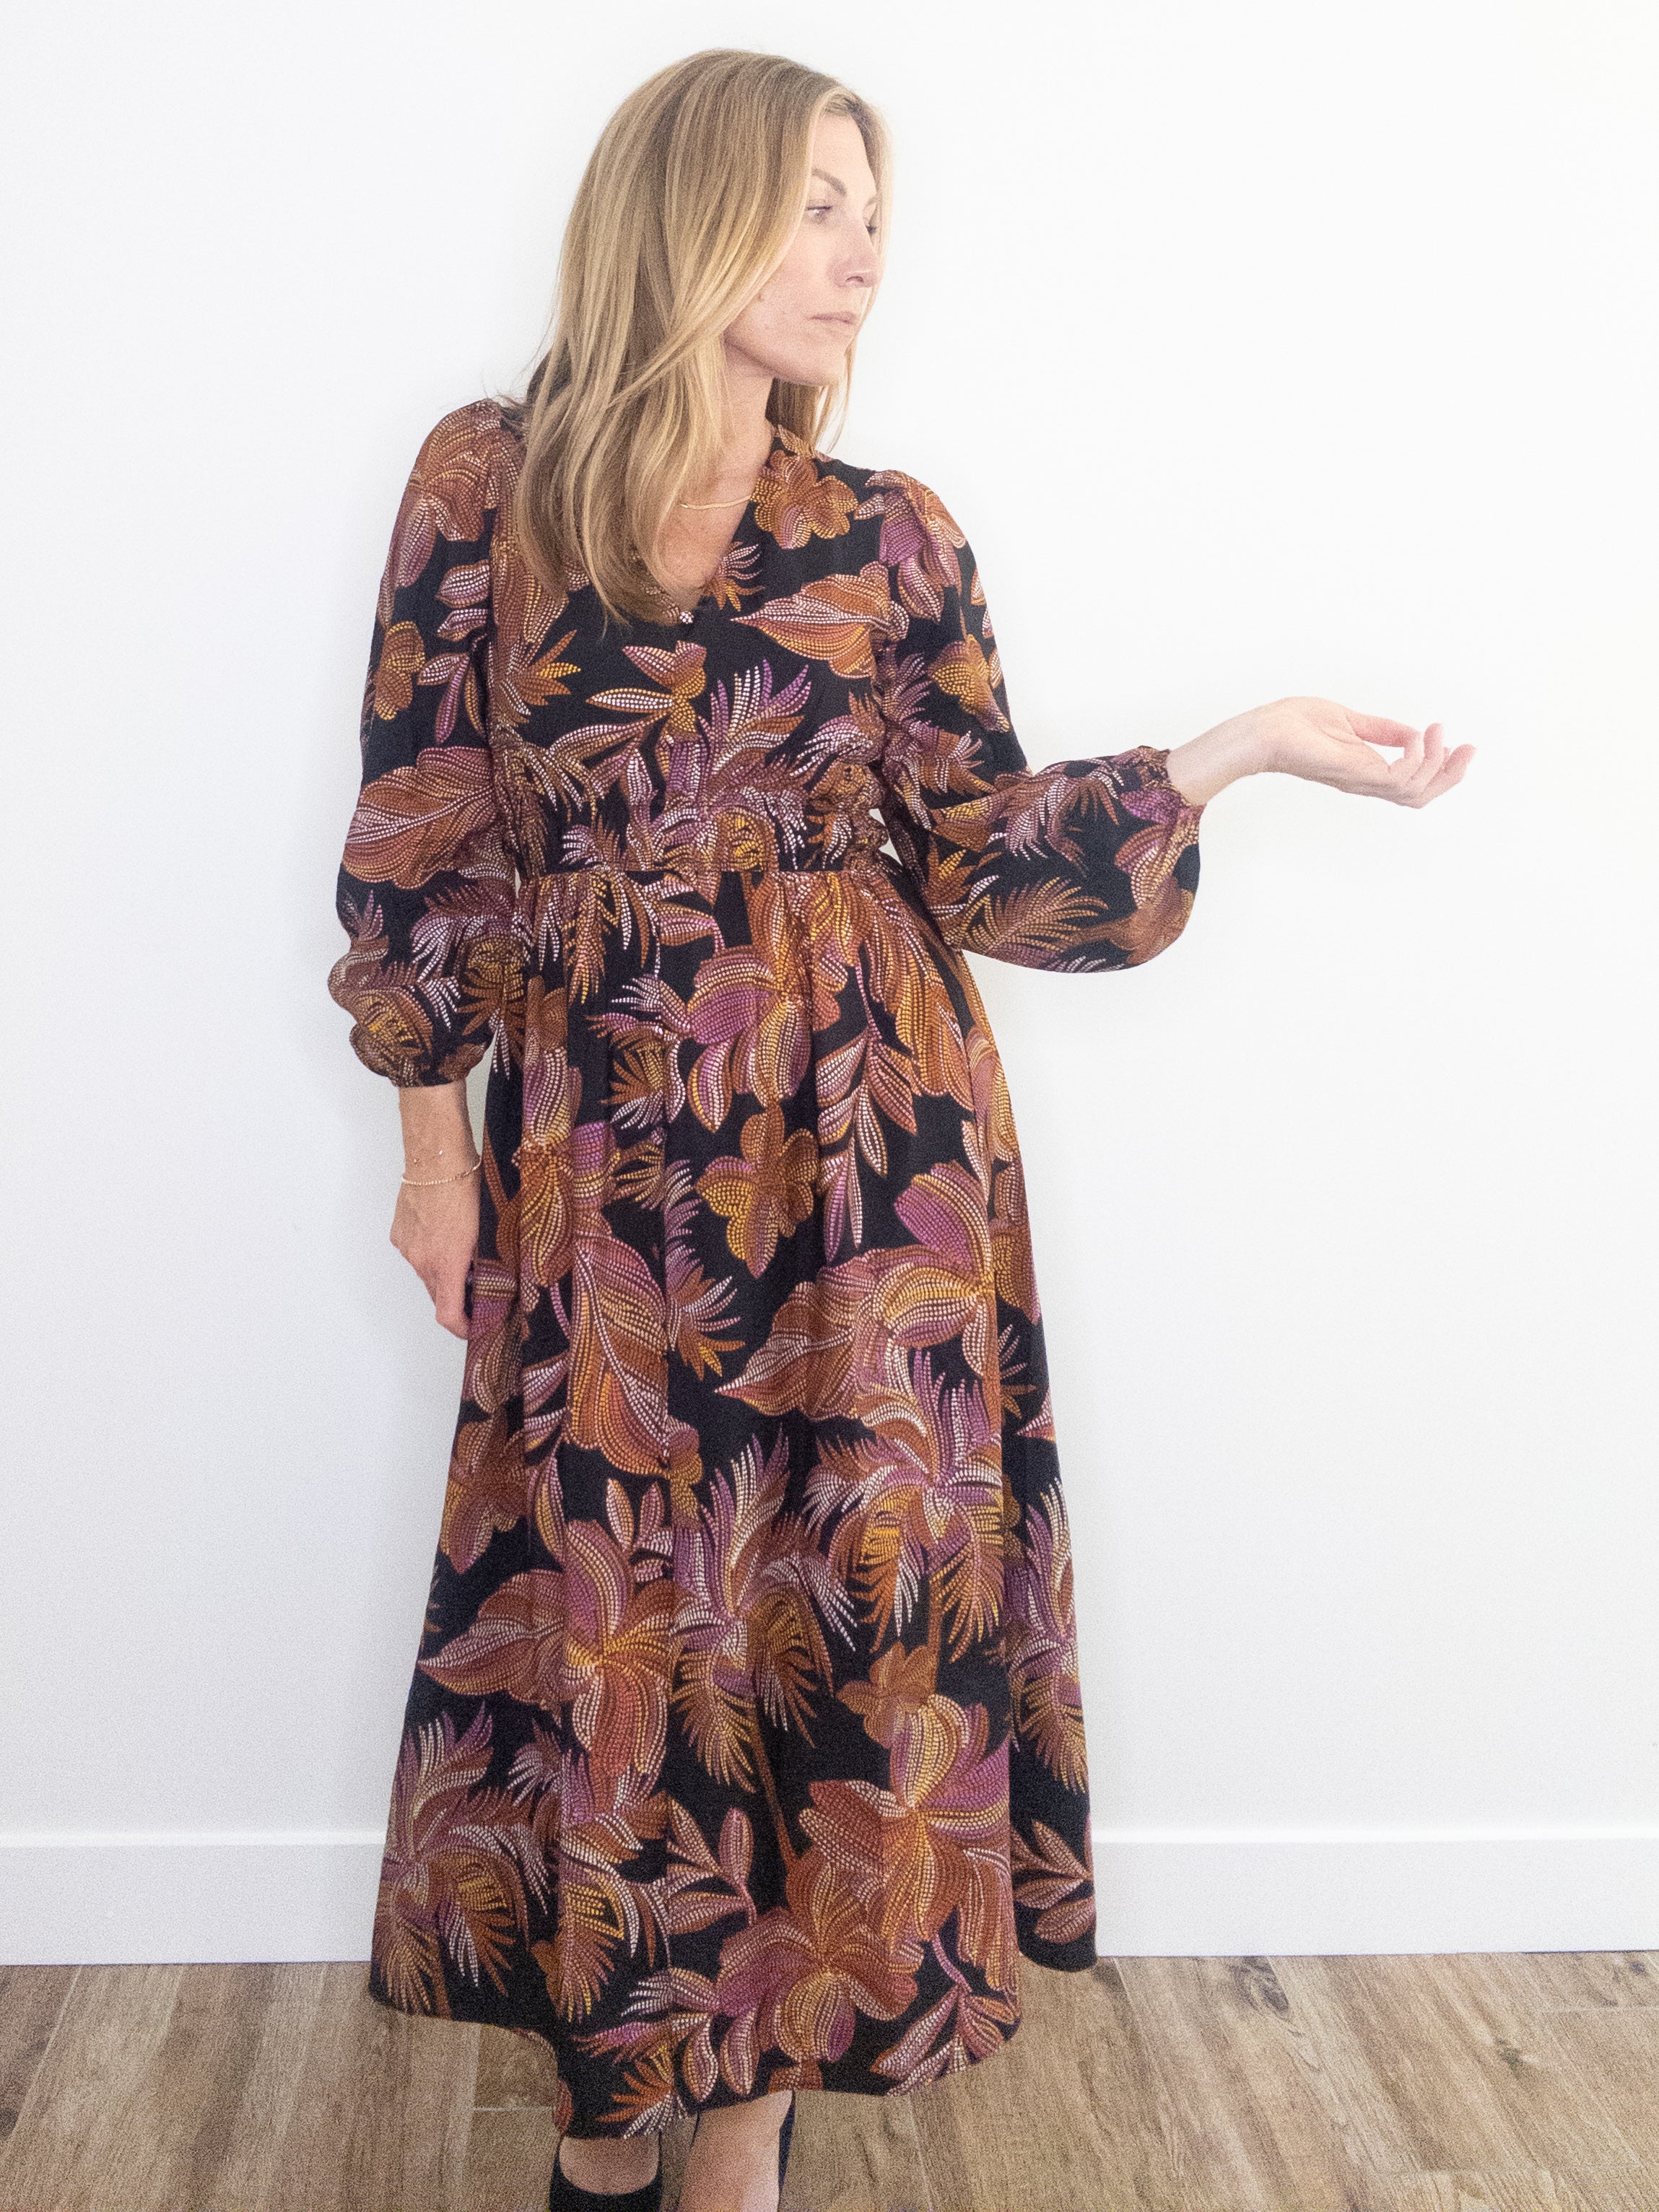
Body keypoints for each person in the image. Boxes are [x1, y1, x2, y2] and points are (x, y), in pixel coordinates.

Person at [327, 46, 1473, 2212]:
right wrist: (431, 1156)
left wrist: (1224, 756)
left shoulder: (889, 531)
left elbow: (974, 853)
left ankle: (740, 2154)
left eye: (876, 214)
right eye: (817, 205)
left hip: (876, 1171)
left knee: (842, 1628)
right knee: (613, 1624)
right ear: (688, 213)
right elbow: (420, 841)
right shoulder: (489, 482)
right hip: (605, 1162)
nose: (862, 255)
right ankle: (610, 2117)